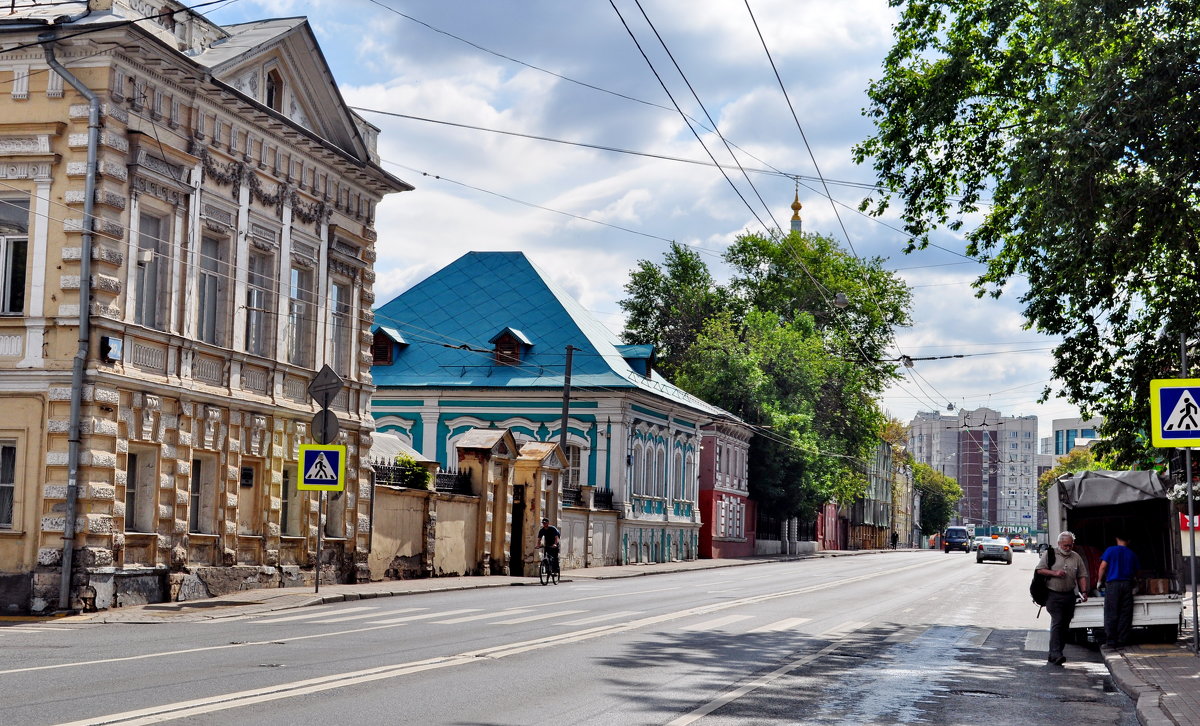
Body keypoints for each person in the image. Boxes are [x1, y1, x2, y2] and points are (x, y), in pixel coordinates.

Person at [1036, 530, 1089, 665]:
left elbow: (1082, 575)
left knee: (1065, 626)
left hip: (1069, 596)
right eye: (1065, 545)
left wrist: (1084, 591)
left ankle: (1054, 653)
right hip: (1053, 595)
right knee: (1058, 621)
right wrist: (1054, 573)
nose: (1068, 548)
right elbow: (1040, 570)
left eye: (1070, 545)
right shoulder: (1050, 554)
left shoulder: (1076, 557)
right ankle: (1056, 653)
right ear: (1059, 543)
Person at [1098, 533, 1141, 648]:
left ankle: (1111, 641)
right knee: (1125, 613)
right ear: (1129, 541)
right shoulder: (1132, 553)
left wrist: (1099, 581)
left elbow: (1103, 566)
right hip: (1127, 585)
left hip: (1113, 585)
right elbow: (1137, 571)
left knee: (1111, 612)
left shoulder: (1110, 550)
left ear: (1116, 539)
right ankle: (1122, 640)